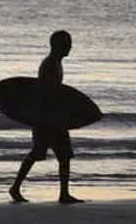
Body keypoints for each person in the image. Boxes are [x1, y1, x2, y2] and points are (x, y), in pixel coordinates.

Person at [9, 30, 84, 204]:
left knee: (58, 155)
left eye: (70, 43)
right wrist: (49, 119)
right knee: (43, 154)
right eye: (67, 43)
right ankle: (17, 188)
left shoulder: (55, 63)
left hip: (50, 117)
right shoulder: (50, 65)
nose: (70, 47)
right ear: (57, 45)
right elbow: (46, 94)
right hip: (48, 119)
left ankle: (61, 193)